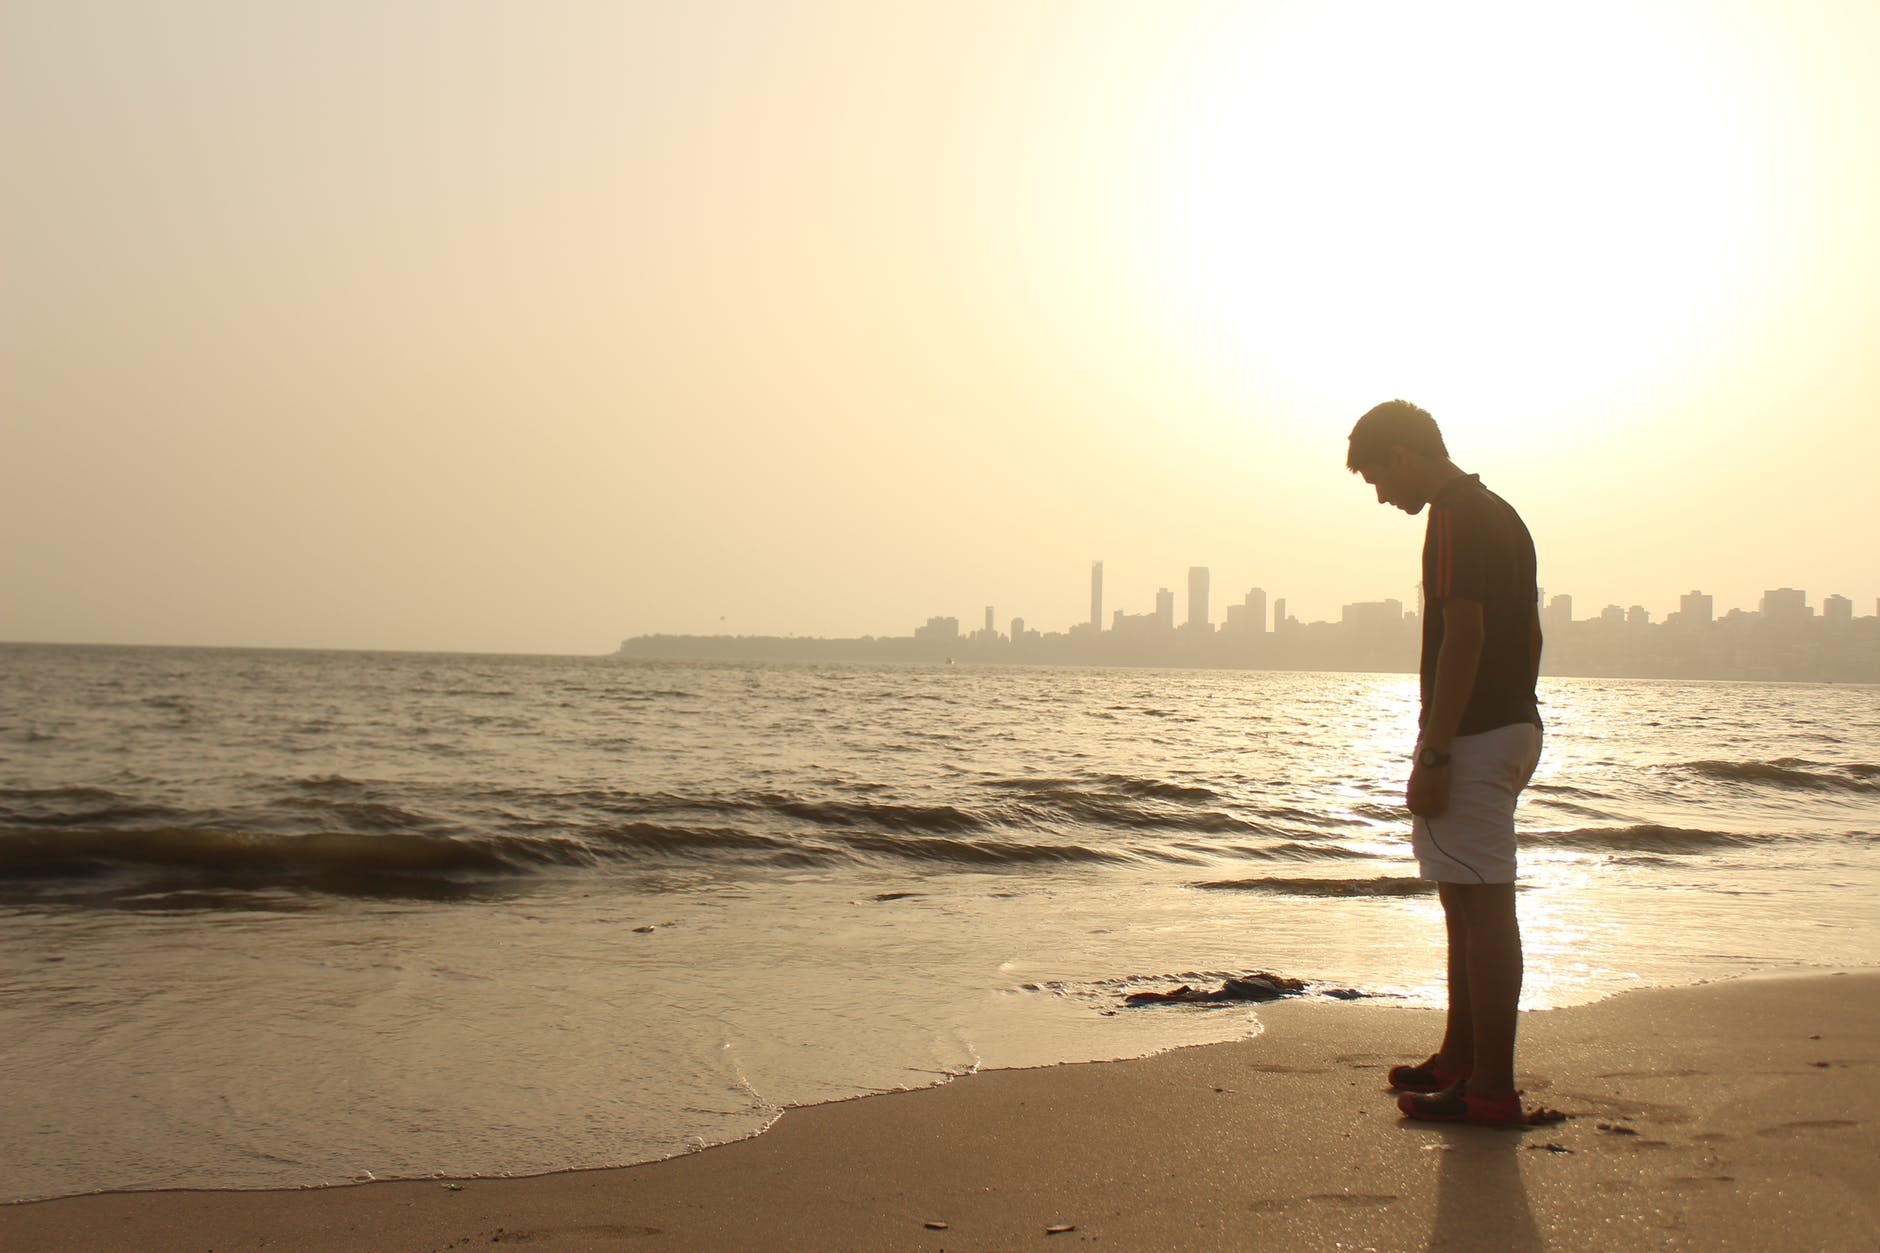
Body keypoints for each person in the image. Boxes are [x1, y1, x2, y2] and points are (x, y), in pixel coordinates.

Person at [1346, 399, 1544, 1125]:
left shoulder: (1454, 514)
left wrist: (1435, 747)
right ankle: (1462, 1057)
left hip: (1477, 732)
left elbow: (1465, 635)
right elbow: (1530, 635)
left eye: (1375, 476)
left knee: (1484, 903)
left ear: (1403, 455)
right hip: (1510, 723)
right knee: (1464, 896)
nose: (1379, 493)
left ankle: (1491, 1084)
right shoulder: (1502, 512)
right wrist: (1524, 714)